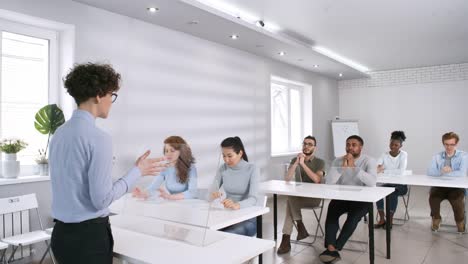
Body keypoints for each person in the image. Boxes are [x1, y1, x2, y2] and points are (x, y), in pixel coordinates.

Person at [49, 63, 166, 264]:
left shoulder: (59, 134)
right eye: (111, 95)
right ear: (98, 95)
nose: (111, 101)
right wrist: (137, 171)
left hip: (61, 236)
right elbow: (101, 200)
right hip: (88, 239)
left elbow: (78, 182)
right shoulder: (99, 138)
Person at [319, 135, 377, 263]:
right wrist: (342, 168)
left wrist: (354, 167)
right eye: (348, 144)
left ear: (360, 147)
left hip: (362, 199)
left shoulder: (369, 161)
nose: (350, 148)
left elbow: (372, 182)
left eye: (354, 145)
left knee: (353, 217)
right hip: (343, 197)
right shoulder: (338, 160)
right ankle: (330, 247)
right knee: (332, 212)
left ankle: (336, 247)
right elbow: (329, 182)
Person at [277, 136, 325, 254]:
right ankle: (297, 229)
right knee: (291, 199)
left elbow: (317, 180)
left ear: (315, 147)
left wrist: (303, 164)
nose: (306, 146)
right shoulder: (295, 160)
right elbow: (287, 179)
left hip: (313, 199)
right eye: (304, 144)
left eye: (310, 144)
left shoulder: (320, 162)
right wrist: (296, 163)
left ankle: (288, 237)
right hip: (298, 197)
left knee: (290, 201)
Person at [210, 136, 259, 236]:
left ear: (240, 153)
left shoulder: (252, 169)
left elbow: (253, 199)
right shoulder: (223, 168)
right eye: (223, 156)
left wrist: (237, 205)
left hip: (247, 218)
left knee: (224, 236)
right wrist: (212, 194)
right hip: (228, 216)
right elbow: (211, 190)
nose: (226, 160)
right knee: (209, 233)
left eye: (229, 156)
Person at [132, 136, 197, 200]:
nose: (168, 154)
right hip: (175, 204)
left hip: (188, 204)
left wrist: (170, 197)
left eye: (172, 150)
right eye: (166, 151)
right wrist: (142, 194)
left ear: (181, 152)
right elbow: (153, 187)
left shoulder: (190, 167)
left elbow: (192, 193)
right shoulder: (165, 168)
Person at [427, 132, 467, 232]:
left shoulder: (464, 156)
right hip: (440, 186)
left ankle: (460, 221)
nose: (449, 147)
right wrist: (441, 171)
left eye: (452, 144)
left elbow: (462, 173)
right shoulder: (437, 156)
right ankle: (436, 218)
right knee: (433, 197)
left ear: (456, 144)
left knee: (457, 201)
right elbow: (430, 171)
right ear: (443, 144)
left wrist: (447, 172)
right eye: (446, 144)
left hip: (456, 187)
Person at [374, 131, 408, 229]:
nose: (393, 146)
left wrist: (384, 170)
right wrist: (380, 169)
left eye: (396, 145)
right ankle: (382, 219)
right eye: (391, 144)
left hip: (401, 186)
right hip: (388, 184)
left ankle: (390, 220)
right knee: (378, 191)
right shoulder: (384, 154)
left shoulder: (403, 155)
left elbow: (401, 172)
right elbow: (376, 168)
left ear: (401, 146)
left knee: (392, 193)